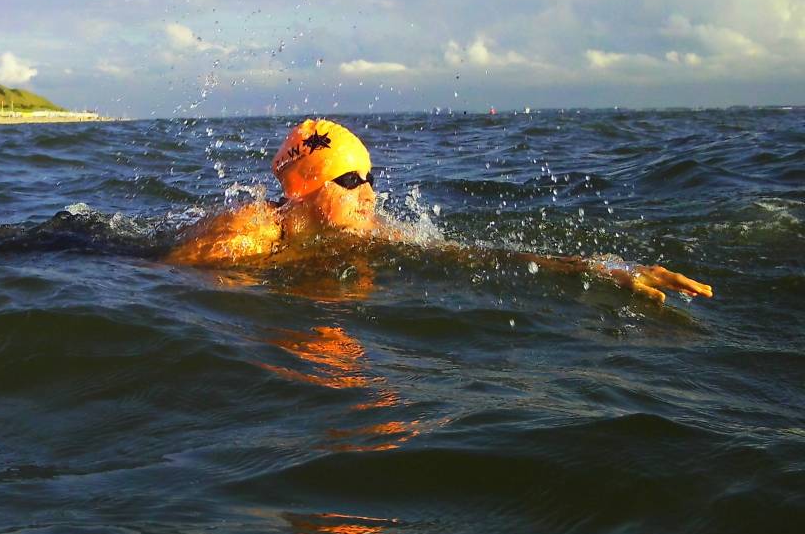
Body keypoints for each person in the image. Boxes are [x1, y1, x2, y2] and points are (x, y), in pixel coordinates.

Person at [167, 118, 713, 305]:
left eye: (373, 179)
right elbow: (165, 284)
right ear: (305, 189)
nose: (371, 194)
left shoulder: (367, 230)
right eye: (353, 180)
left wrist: (593, 268)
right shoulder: (248, 233)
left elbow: (470, 256)